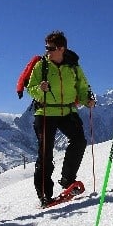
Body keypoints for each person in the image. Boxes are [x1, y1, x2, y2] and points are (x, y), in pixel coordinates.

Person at [25, 31, 95, 206]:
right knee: (45, 153)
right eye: (46, 47)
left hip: (68, 111)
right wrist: (40, 89)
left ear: (62, 48)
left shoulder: (73, 66)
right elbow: (30, 88)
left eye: (51, 48)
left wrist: (87, 100)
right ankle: (44, 195)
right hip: (45, 112)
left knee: (79, 141)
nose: (47, 51)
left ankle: (68, 180)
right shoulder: (41, 66)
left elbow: (82, 86)